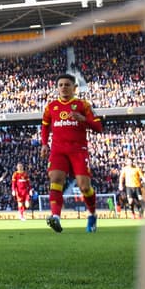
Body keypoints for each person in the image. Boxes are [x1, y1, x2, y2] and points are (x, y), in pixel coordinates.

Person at [40, 73, 104, 233]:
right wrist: (44, 144)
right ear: (57, 88)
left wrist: (83, 119)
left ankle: (92, 214)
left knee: (84, 186)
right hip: (58, 150)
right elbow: (45, 125)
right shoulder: (51, 106)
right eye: (60, 85)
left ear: (75, 88)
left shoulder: (83, 105)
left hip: (78, 150)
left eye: (67, 84)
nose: (63, 87)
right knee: (55, 180)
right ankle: (55, 217)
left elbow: (98, 127)